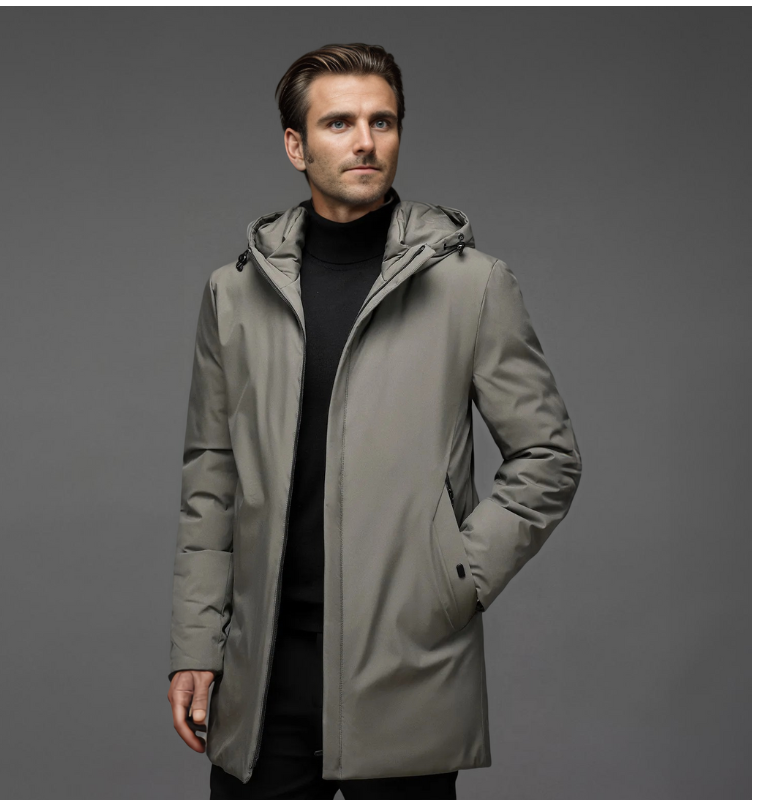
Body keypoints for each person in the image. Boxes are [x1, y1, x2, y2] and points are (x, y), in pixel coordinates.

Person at [167, 43, 582, 800]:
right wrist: (197, 642)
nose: (365, 141)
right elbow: (211, 478)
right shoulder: (235, 294)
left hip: (407, 663)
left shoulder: (472, 286)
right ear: (295, 145)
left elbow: (547, 457)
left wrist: (453, 581)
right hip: (265, 670)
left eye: (381, 121)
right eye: (339, 123)